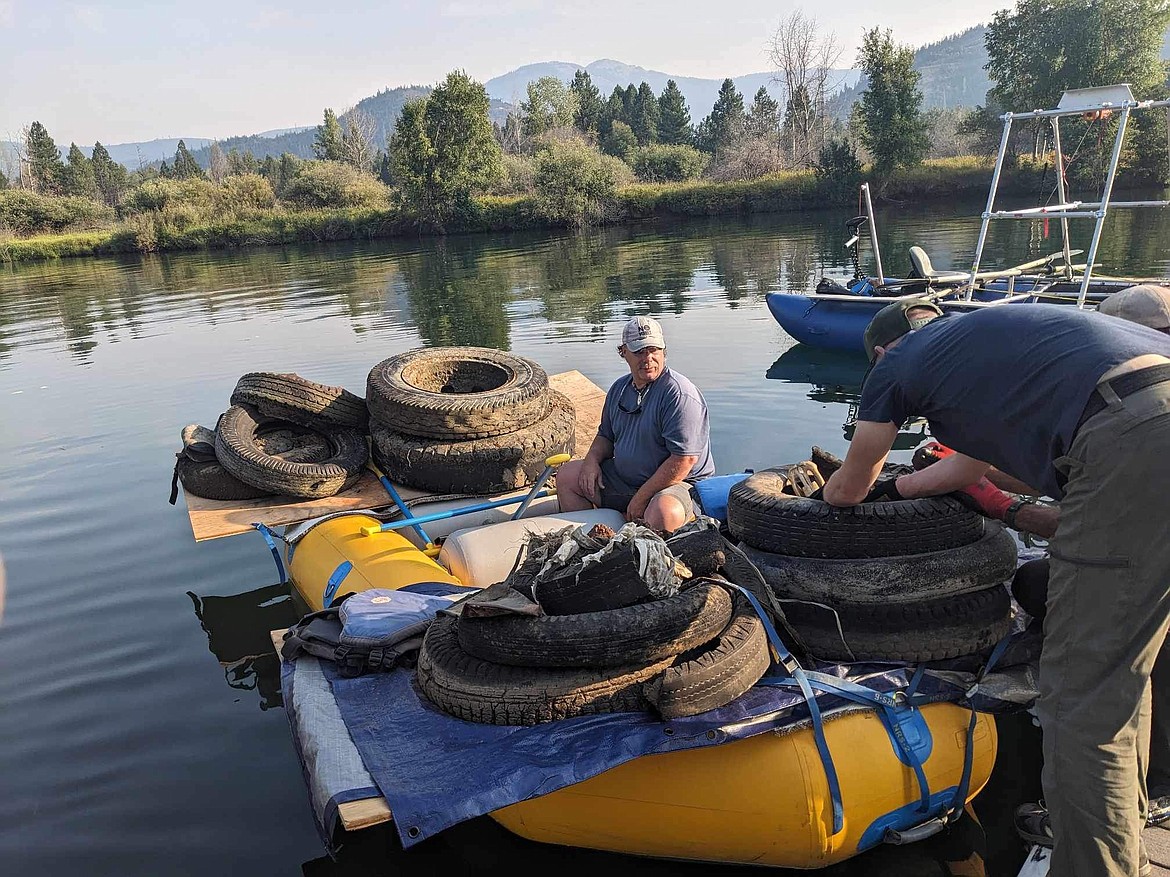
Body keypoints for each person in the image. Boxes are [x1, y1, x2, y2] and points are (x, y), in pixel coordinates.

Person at [822, 297, 1170, 877]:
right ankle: (1120, 833)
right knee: (1124, 673)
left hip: (1135, 432)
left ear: (880, 351)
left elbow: (847, 491)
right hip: (1148, 405)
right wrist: (913, 488)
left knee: (1081, 699)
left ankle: (1097, 863)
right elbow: (968, 469)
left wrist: (854, 489)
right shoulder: (992, 344)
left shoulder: (895, 363)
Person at [557, 315, 715, 533]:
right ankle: (591, 544)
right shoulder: (619, 389)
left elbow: (684, 459)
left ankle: (654, 553)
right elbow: (606, 436)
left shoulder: (678, 394)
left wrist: (642, 498)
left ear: (663, 351)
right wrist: (591, 461)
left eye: (654, 350)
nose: (648, 358)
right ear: (623, 352)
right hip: (626, 481)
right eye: (640, 351)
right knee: (568, 477)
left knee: (663, 511)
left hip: (678, 485)